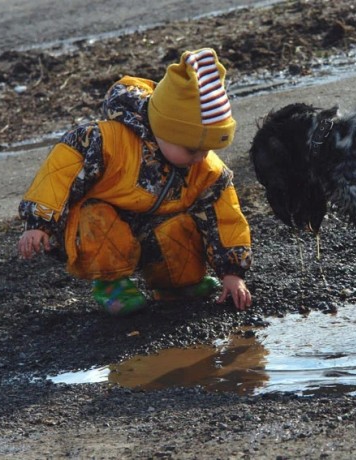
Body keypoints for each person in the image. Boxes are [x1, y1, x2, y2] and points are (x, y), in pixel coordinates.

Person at [18, 48, 252, 316]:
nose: (199, 158)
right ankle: (111, 284)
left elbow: (225, 218)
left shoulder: (206, 169)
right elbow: (59, 172)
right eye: (191, 150)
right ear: (163, 129)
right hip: (97, 227)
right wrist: (39, 223)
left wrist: (233, 273)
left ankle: (175, 285)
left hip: (151, 223)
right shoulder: (104, 141)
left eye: (207, 150)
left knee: (180, 229)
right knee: (96, 217)